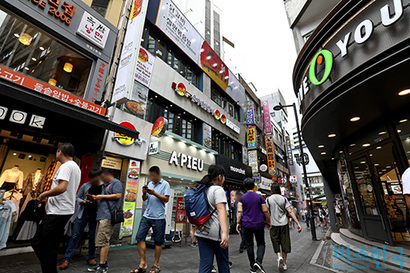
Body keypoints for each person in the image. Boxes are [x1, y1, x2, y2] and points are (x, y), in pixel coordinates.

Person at [32, 143, 81, 273]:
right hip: (64, 211)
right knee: (49, 245)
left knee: (40, 243)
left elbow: (62, 187)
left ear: (60, 152)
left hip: (58, 212)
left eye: (56, 152)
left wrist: (44, 194)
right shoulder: (76, 167)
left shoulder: (66, 166)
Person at [60, 169, 103, 270]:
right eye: (92, 178)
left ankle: (91, 258)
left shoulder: (104, 187)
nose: (93, 180)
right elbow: (76, 197)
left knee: (92, 237)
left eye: (95, 177)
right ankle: (66, 259)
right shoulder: (85, 186)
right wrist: (82, 201)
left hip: (96, 215)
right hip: (83, 214)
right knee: (75, 236)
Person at [131, 166, 170, 273]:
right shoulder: (150, 184)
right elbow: (144, 198)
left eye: (153, 175)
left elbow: (166, 199)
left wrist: (155, 193)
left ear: (158, 174)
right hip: (147, 215)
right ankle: (143, 264)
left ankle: (156, 265)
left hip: (159, 217)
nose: (151, 177)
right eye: (150, 175)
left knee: (158, 242)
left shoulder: (165, 184)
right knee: (139, 237)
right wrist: (144, 193)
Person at [195, 165, 230, 273]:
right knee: (223, 263)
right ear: (220, 177)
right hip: (216, 234)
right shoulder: (218, 190)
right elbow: (221, 210)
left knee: (205, 265)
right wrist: (225, 233)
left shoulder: (201, 189)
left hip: (201, 231)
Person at [89, 169, 123, 273]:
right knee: (100, 241)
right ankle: (103, 263)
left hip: (107, 216)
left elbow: (118, 195)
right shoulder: (105, 185)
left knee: (103, 241)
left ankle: (102, 266)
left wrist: (102, 196)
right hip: (101, 215)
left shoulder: (116, 183)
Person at [236, 178, 271, 273]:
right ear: (254, 186)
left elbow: (239, 211)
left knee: (249, 244)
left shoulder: (242, 198)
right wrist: (269, 221)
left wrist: (238, 222)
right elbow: (265, 210)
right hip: (259, 223)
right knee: (261, 243)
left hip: (246, 224)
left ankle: (253, 266)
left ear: (245, 187)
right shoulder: (259, 197)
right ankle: (258, 261)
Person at [267, 183, 301, 272]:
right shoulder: (284, 199)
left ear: (271, 190)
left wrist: (267, 221)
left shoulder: (268, 199)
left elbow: (266, 212)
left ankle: (279, 256)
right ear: (279, 190)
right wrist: (297, 223)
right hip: (284, 223)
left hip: (274, 224)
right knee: (284, 242)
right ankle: (285, 263)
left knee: (275, 240)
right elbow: (290, 211)